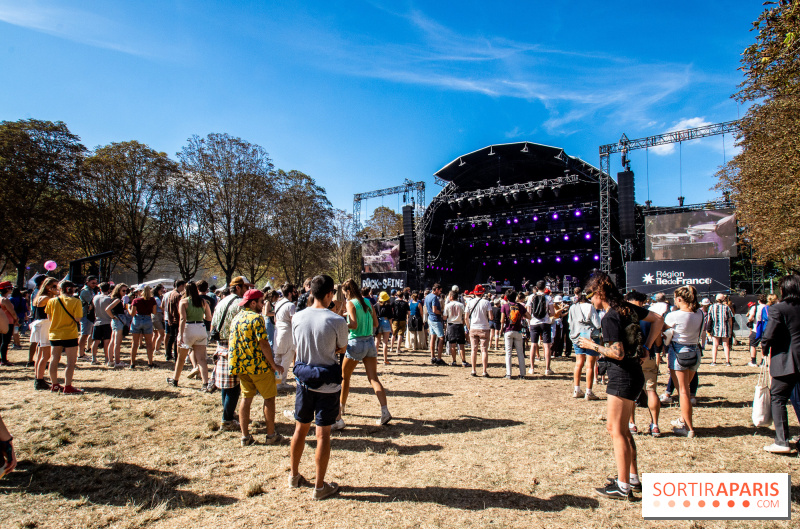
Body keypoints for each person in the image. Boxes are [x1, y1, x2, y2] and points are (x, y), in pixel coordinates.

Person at [577, 272, 663, 500]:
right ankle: (631, 478)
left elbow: (617, 352)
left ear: (599, 293)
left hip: (622, 375)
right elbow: (658, 318)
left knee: (615, 430)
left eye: (591, 296)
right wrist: (646, 345)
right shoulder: (628, 308)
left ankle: (622, 486)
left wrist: (592, 346)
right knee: (623, 430)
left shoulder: (610, 317)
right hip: (634, 373)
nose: (590, 301)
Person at [288, 275, 347, 500]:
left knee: (300, 429)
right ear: (330, 294)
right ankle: (320, 487)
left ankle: (294, 476)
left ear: (311, 292)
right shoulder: (336, 320)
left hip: (304, 381)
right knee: (323, 435)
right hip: (328, 385)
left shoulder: (298, 317)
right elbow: (341, 348)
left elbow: (296, 345)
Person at [229, 289, 286, 446]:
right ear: (253, 303)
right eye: (262, 302)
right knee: (269, 398)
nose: (264, 305)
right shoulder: (257, 319)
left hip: (240, 366)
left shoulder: (237, 318)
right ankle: (270, 435)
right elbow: (264, 344)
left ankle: (245, 437)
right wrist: (273, 364)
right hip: (258, 367)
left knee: (246, 398)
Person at [335, 279, 391, 429]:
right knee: (373, 378)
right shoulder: (368, 302)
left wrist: (341, 323)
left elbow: (353, 324)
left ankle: (341, 408)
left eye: (343, 294)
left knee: (344, 377)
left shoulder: (351, 303)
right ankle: (384, 411)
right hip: (369, 342)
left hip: (356, 343)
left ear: (347, 292)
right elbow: (376, 324)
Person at [762, 274, 800, 453]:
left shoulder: (779, 309)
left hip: (787, 360)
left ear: (784, 289)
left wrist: (764, 347)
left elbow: (769, 334)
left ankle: (782, 441)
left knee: (778, 398)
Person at [662, 285, 704, 438]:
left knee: (683, 393)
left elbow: (665, 333)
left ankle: (688, 428)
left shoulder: (674, 315)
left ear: (679, 299)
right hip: (695, 352)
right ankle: (682, 419)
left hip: (679, 353)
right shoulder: (699, 313)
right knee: (686, 390)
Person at [209, 276, 250, 430]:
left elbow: (213, 324)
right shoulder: (239, 304)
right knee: (234, 388)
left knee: (226, 386)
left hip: (221, 345)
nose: (247, 290)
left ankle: (229, 414)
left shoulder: (221, 302)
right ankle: (227, 420)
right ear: (238, 287)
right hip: (233, 346)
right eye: (245, 287)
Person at [169, 282, 212, 389]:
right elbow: (209, 317)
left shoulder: (183, 302)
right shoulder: (203, 302)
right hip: (200, 328)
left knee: (181, 358)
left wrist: (180, 334)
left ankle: (175, 379)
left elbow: (183, 319)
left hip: (188, 328)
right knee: (202, 359)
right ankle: (205, 383)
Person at [45, 280, 85, 394]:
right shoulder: (76, 301)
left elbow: (49, 318)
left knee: (54, 359)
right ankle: (67, 386)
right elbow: (78, 318)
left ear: (60, 289)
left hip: (55, 333)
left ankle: (55, 384)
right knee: (70, 362)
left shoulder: (51, 301)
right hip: (70, 334)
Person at [569, 290, 602, 401]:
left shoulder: (572, 307)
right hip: (590, 336)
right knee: (590, 365)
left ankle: (576, 389)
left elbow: (570, 321)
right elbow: (597, 323)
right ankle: (589, 391)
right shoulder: (590, 307)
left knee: (578, 363)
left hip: (577, 336)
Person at [31, 278, 58, 389]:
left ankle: (38, 377)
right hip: (44, 324)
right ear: (48, 287)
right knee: (45, 355)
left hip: (40, 324)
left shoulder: (40, 297)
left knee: (41, 354)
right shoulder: (46, 298)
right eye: (55, 286)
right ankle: (39, 379)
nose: (57, 289)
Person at [527, 280, 555, 376]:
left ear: (536, 287)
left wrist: (529, 322)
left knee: (533, 345)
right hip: (545, 322)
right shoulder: (548, 298)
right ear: (545, 288)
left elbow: (529, 312)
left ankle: (531, 368)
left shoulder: (531, 297)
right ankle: (547, 368)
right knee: (547, 345)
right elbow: (552, 312)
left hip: (534, 322)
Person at [273, 283, 298, 390]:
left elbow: (274, 319)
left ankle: (276, 381)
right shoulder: (291, 305)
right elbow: (294, 321)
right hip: (287, 333)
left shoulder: (278, 304)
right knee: (286, 360)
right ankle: (281, 383)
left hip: (278, 331)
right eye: (293, 291)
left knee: (277, 359)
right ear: (289, 293)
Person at [465, 285, 493, 377]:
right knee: (484, 350)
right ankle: (484, 371)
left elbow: (466, 317)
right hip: (484, 328)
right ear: (482, 293)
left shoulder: (469, 302)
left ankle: (473, 370)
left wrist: (469, 328)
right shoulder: (487, 303)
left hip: (473, 327)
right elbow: (491, 317)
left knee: (473, 349)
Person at [501, 289, 528, 379]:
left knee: (508, 353)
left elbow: (502, 320)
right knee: (520, 353)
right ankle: (522, 373)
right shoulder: (520, 306)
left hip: (508, 330)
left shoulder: (505, 306)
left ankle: (509, 373)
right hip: (518, 331)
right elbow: (529, 316)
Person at [129, 285, 158, 368]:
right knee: (149, 343)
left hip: (137, 319)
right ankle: (150, 362)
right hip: (147, 319)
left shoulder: (136, 300)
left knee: (135, 343)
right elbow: (154, 312)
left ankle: (132, 363)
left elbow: (132, 313)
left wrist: (128, 309)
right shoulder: (152, 300)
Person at [105, 284, 129, 368]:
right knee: (117, 343)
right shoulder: (118, 300)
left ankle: (111, 361)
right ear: (118, 290)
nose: (125, 292)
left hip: (116, 320)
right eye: (123, 290)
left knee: (112, 341)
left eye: (126, 291)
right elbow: (107, 309)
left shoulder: (114, 299)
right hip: (118, 320)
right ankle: (117, 362)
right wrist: (112, 316)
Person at [442, 290, 469, 367]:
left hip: (451, 325)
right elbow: (464, 316)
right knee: (461, 345)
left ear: (450, 297)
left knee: (452, 345)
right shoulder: (461, 305)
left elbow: (444, 317)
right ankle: (463, 361)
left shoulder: (447, 305)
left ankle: (454, 361)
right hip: (459, 325)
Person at [90, 282, 114, 366]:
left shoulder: (95, 297)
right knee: (106, 342)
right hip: (107, 321)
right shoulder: (109, 299)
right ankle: (107, 358)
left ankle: (93, 358)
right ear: (109, 289)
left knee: (95, 342)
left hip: (97, 321)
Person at [163, 280, 186, 362]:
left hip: (172, 318)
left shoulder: (171, 293)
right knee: (176, 338)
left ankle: (168, 354)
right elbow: (179, 309)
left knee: (171, 337)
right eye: (184, 286)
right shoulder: (178, 295)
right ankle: (176, 356)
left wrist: (169, 318)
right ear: (180, 286)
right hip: (176, 319)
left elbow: (168, 308)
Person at [709, 293, 733, 366]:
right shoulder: (726, 308)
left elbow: (710, 318)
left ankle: (714, 361)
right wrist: (730, 328)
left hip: (715, 328)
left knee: (715, 345)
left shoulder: (711, 307)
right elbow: (730, 319)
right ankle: (727, 361)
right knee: (726, 345)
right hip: (725, 328)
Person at [425, 284, 446, 365]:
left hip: (430, 318)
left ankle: (432, 357)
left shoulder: (427, 296)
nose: (440, 292)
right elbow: (434, 310)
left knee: (432, 337)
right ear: (436, 289)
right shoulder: (434, 297)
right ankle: (439, 358)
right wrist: (441, 313)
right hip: (436, 319)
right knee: (441, 338)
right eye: (440, 290)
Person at [0, 281, 19, 366]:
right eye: (11, 288)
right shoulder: (5, 300)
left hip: (1, 322)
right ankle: (4, 360)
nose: (11, 290)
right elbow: (13, 312)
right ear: (7, 289)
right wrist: (16, 319)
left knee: (0, 341)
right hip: (8, 322)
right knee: (6, 341)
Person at [747, 295, 768, 367]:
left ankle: (753, 361)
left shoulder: (755, 307)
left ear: (759, 301)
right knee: (763, 345)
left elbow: (751, 317)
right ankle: (763, 362)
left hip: (756, 328)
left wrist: (750, 320)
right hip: (766, 329)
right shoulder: (768, 307)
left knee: (753, 345)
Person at [374, 292, 393, 364]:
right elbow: (390, 318)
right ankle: (385, 360)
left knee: (377, 342)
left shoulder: (375, 305)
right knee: (385, 342)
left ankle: (375, 359)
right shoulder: (388, 306)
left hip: (378, 322)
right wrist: (391, 327)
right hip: (386, 322)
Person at [390, 291, 409, 357]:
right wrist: (407, 317)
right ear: (402, 296)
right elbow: (408, 312)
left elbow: (390, 309)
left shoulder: (394, 302)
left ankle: (391, 347)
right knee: (400, 334)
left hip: (395, 319)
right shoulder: (405, 303)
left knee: (393, 334)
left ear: (397, 295)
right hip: (403, 319)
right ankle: (398, 348)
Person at [152, 284, 166, 355]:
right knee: (161, 334)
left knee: (155, 334)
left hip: (154, 317)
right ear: (157, 291)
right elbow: (161, 307)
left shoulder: (155, 298)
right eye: (161, 290)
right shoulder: (157, 299)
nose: (162, 291)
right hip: (157, 316)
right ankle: (156, 349)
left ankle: (153, 348)